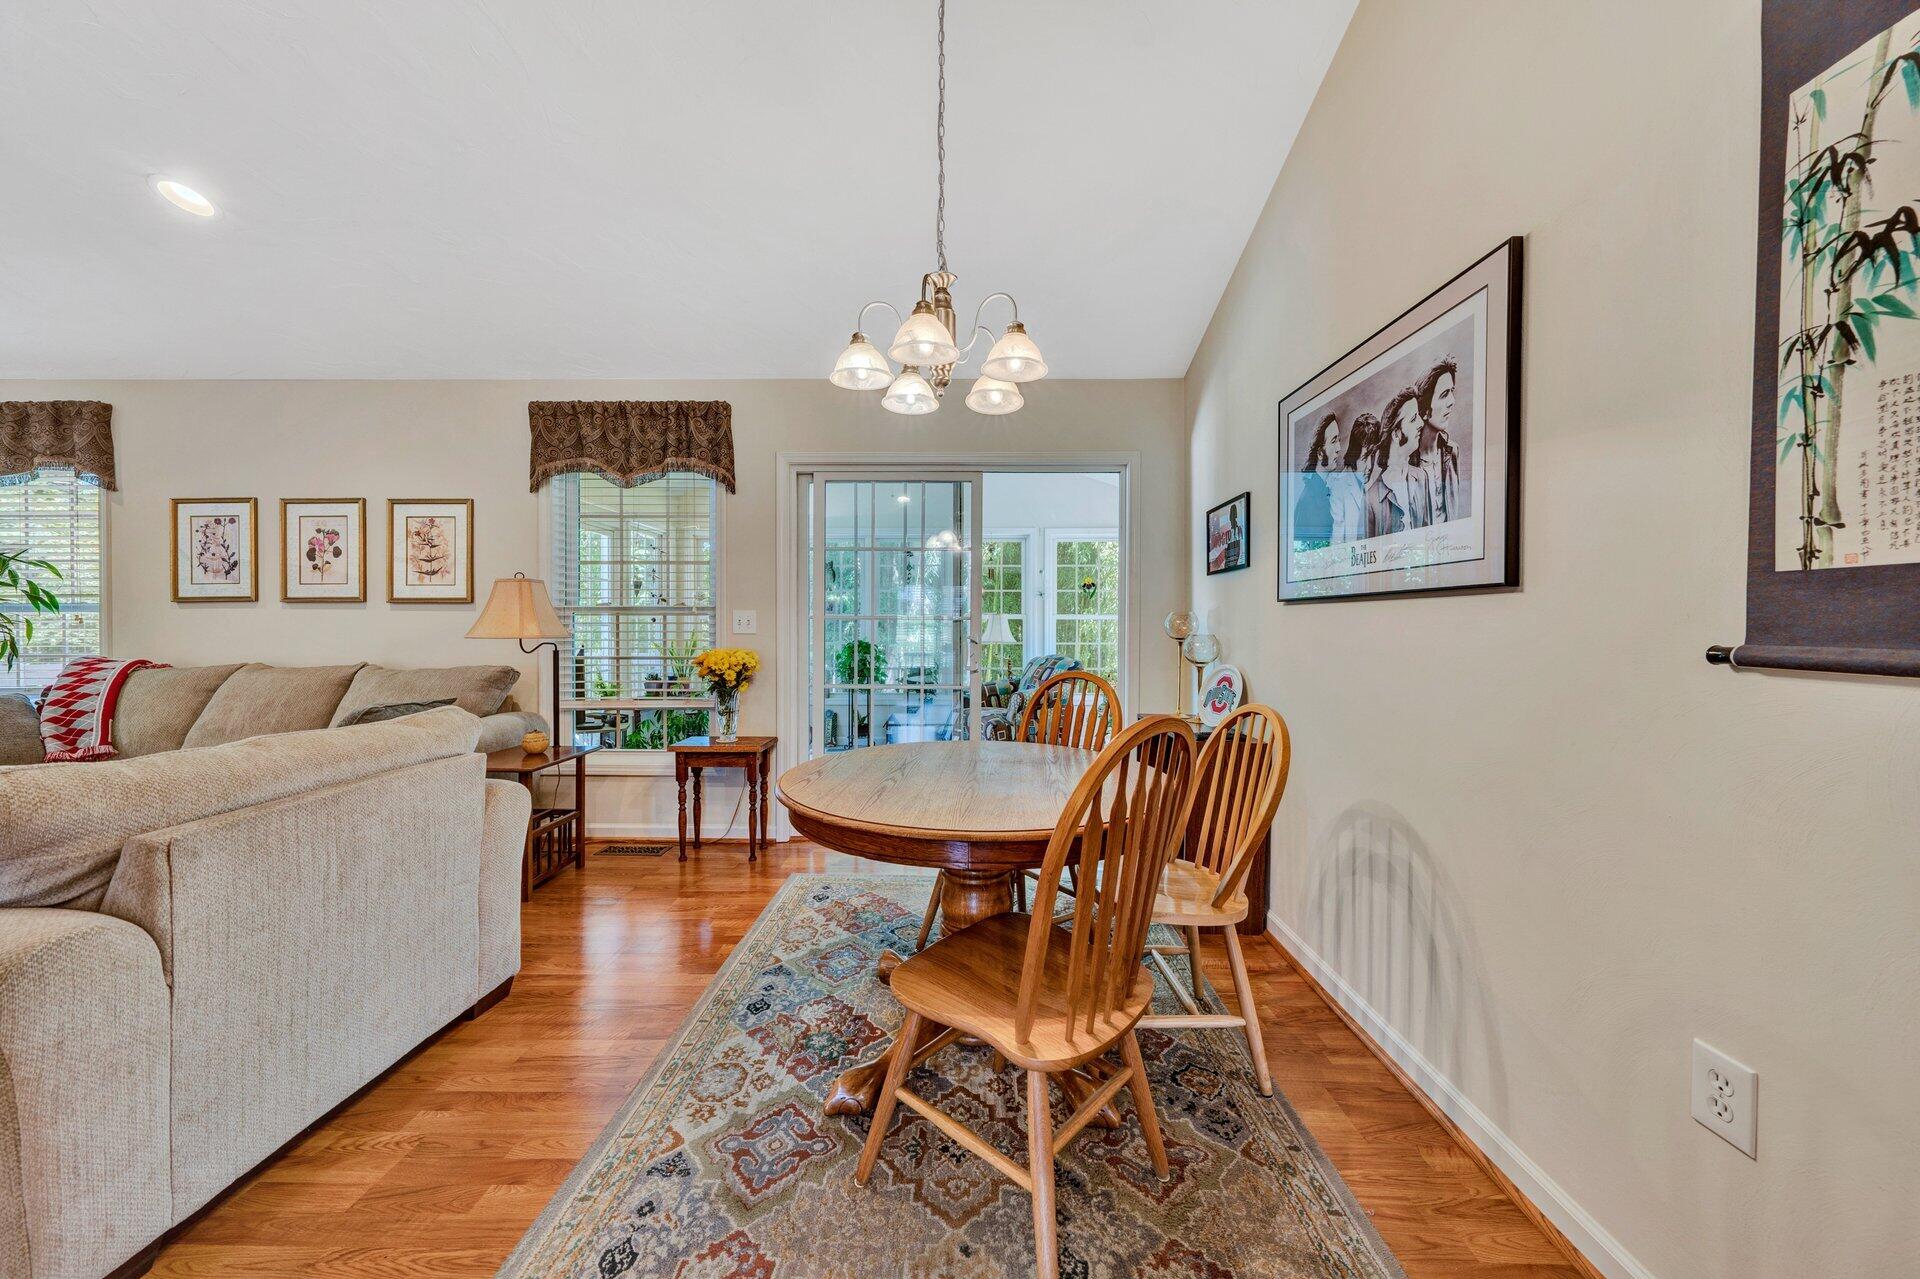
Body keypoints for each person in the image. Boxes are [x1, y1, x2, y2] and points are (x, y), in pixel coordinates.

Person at [1378, 388, 1432, 532]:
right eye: (1413, 419)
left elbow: (1429, 532)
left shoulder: (1421, 477)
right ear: (1396, 435)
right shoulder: (1373, 495)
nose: (1421, 423)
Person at [1415, 357, 1462, 524]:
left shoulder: (1452, 451)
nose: (1452, 401)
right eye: (1444, 395)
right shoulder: (1407, 459)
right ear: (1425, 409)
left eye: (1452, 391)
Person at [1292, 412, 1339, 551]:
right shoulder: (1311, 500)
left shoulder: (1322, 490)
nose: (1339, 448)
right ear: (1319, 453)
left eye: (1339, 440)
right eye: (1333, 441)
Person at [1325, 413, 1371, 543]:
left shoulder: (1371, 481)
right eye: (1364, 458)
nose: (1370, 466)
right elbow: (1336, 541)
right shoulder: (1338, 486)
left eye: (1373, 457)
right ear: (1354, 453)